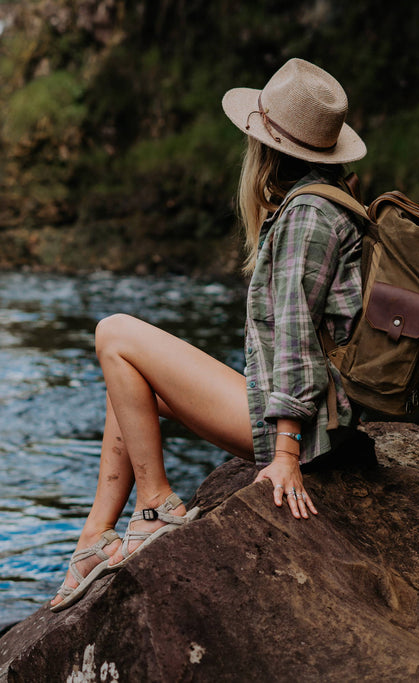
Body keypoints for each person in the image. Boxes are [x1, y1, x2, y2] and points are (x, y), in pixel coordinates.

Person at [49, 58, 367, 612]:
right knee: (126, 386)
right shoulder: (323, 202)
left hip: (312, 430)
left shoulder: (307, 216)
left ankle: (155, 507)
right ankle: (93, 539)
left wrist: (286, 452)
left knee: (114, 333)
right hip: (319, 417)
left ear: (268, 146)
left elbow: (295, 338)